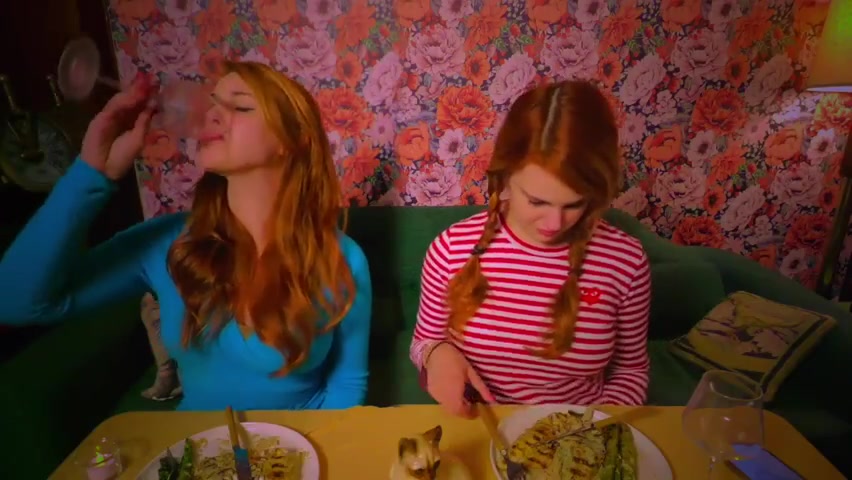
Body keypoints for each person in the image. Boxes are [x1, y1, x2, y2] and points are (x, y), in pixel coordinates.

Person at [0, 62, 372, 411]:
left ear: (293, 140)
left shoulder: (342, 257)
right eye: (213, 104)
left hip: (299, 447)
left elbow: (347, 383)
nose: (212, 115)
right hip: (198, 449)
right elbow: (14, 302)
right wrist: (92, 173)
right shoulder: (170, 243)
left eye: (241, 107)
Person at [410, 80, 651, 418]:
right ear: (505, 177)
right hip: (481, 423)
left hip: (576, 429)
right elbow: (424, 342)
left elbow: (631, 370)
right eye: (537, 201)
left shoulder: (626, 261)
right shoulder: (452, 249)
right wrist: (436, 354)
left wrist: (593, 426)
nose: (554, 223)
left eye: (575, 204)